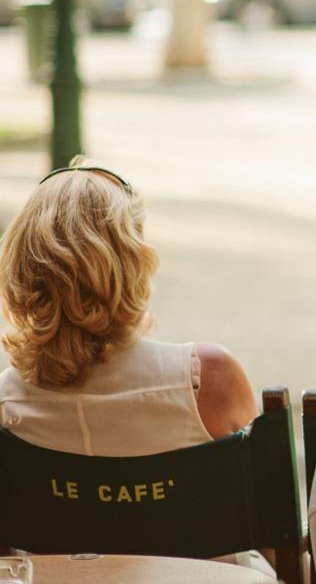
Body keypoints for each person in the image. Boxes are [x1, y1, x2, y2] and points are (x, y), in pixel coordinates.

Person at [0, 160, 258, 456]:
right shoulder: (208, 378)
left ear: (21, 266)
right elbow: (266, 494)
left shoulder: (7, 406)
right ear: (133, 264)